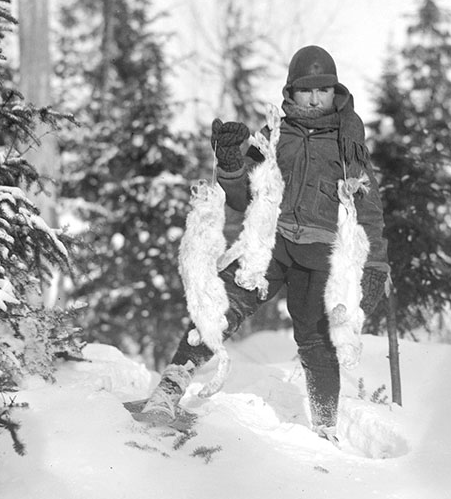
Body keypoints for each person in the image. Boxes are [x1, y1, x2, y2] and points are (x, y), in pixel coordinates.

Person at [137, 45, 390, 443]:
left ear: (334, 92)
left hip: (320, 256)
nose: (314, 98)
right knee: (217, 305)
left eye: (323, 90)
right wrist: (232, 166)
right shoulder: (272, 135)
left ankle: (325, 429)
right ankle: (168, 392)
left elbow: (368, 212)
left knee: (317, 339)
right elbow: (242, 199)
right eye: (306, 90)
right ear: (291, 92)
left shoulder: (348, 142)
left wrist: (375, 267)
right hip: (268, 244)